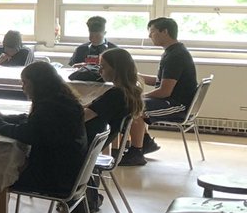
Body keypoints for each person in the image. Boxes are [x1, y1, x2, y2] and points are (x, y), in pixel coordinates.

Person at [0, 61, 87, 213]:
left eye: (25, 82)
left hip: (54, 178)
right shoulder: (62, 101)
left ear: (37, 83)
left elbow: (28, 134)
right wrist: (6, 118)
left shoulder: (49, 107)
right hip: (69, 171)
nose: (23, 87)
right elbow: (33, 123)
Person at [124, 17, 198, 165]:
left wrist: (139, 96)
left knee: (134, 106)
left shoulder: (175, 56)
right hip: (173, 100)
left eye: (152, 32)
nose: (149, 36)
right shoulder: (173, 52)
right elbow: (160, 81)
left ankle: (136, 153)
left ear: (164, 32)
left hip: (178, 105)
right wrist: (133, 75)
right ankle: (145, 142)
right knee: (133, 102)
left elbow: (164, 91)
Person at [83, 48, 144, 146]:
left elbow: (81, 117)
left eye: (103, 66)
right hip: (92, 144)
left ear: (117, 69)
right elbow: (89, 106)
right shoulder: (126, 92)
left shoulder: (116, 95)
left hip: (83, 144)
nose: (99, 70)